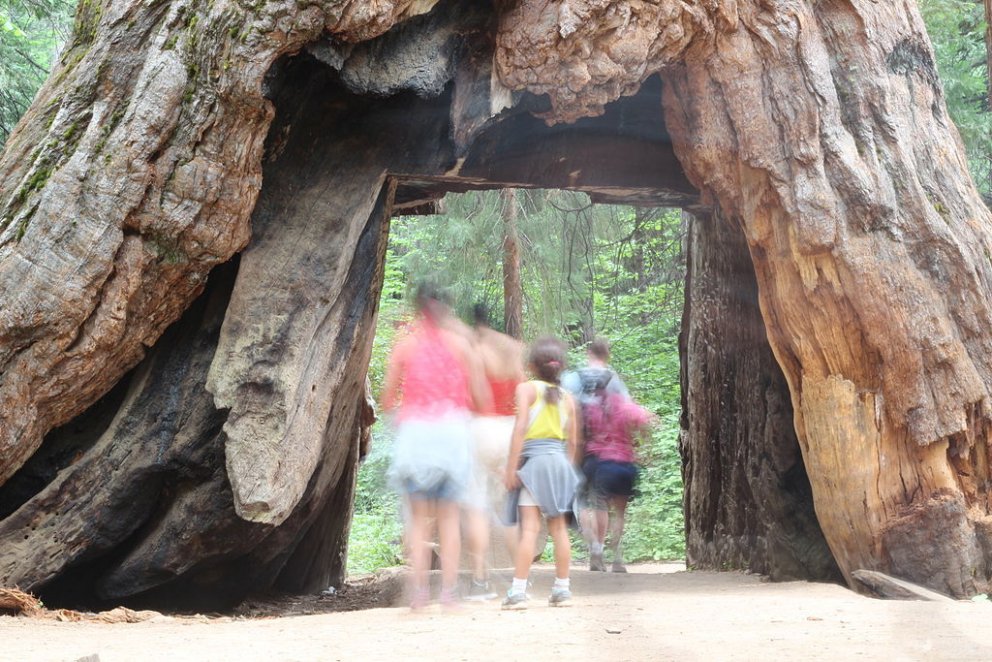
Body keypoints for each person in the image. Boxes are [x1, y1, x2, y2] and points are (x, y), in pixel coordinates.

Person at [381, 284, 491, 609]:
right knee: (448, 517)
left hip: (416, 435)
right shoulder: (461, 345)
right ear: (448, 309)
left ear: (418, 309)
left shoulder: (405, 347)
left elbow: (387, 399)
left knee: (418, 520)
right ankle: (448, 593)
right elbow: (482, 399)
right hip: (452, 434)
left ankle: (419, 593)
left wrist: (408, 410)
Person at [502, 336, 580, 609]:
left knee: (530, 529)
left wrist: (511, 467)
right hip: (560, 464)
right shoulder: (568, 399)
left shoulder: (526, 389)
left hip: (534, 463)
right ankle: (562, 590)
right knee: (559, 530)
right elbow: (573, 442)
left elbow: (520, 428)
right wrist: (566, 471)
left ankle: (518, 592)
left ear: (532, 366)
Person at [565, 338, 651, 572]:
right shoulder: (615, 381)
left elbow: (567, 411)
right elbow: (633, 414)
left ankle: (595, 548)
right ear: (607, 355)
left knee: (586, 501)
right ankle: (615, 552)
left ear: (588, 353)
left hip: (585, 450)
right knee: (615, 508)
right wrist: (641, 445)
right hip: (620, 457)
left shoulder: (574, 377)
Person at [464, 304, 526, 600]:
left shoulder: (472, 349)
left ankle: (480, 581)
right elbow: (522, 390)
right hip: (509, 429)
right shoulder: (511, 347)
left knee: (477, 507)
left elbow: (470, 394)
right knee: (510, 508)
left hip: (480, 427)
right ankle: (520, 579)